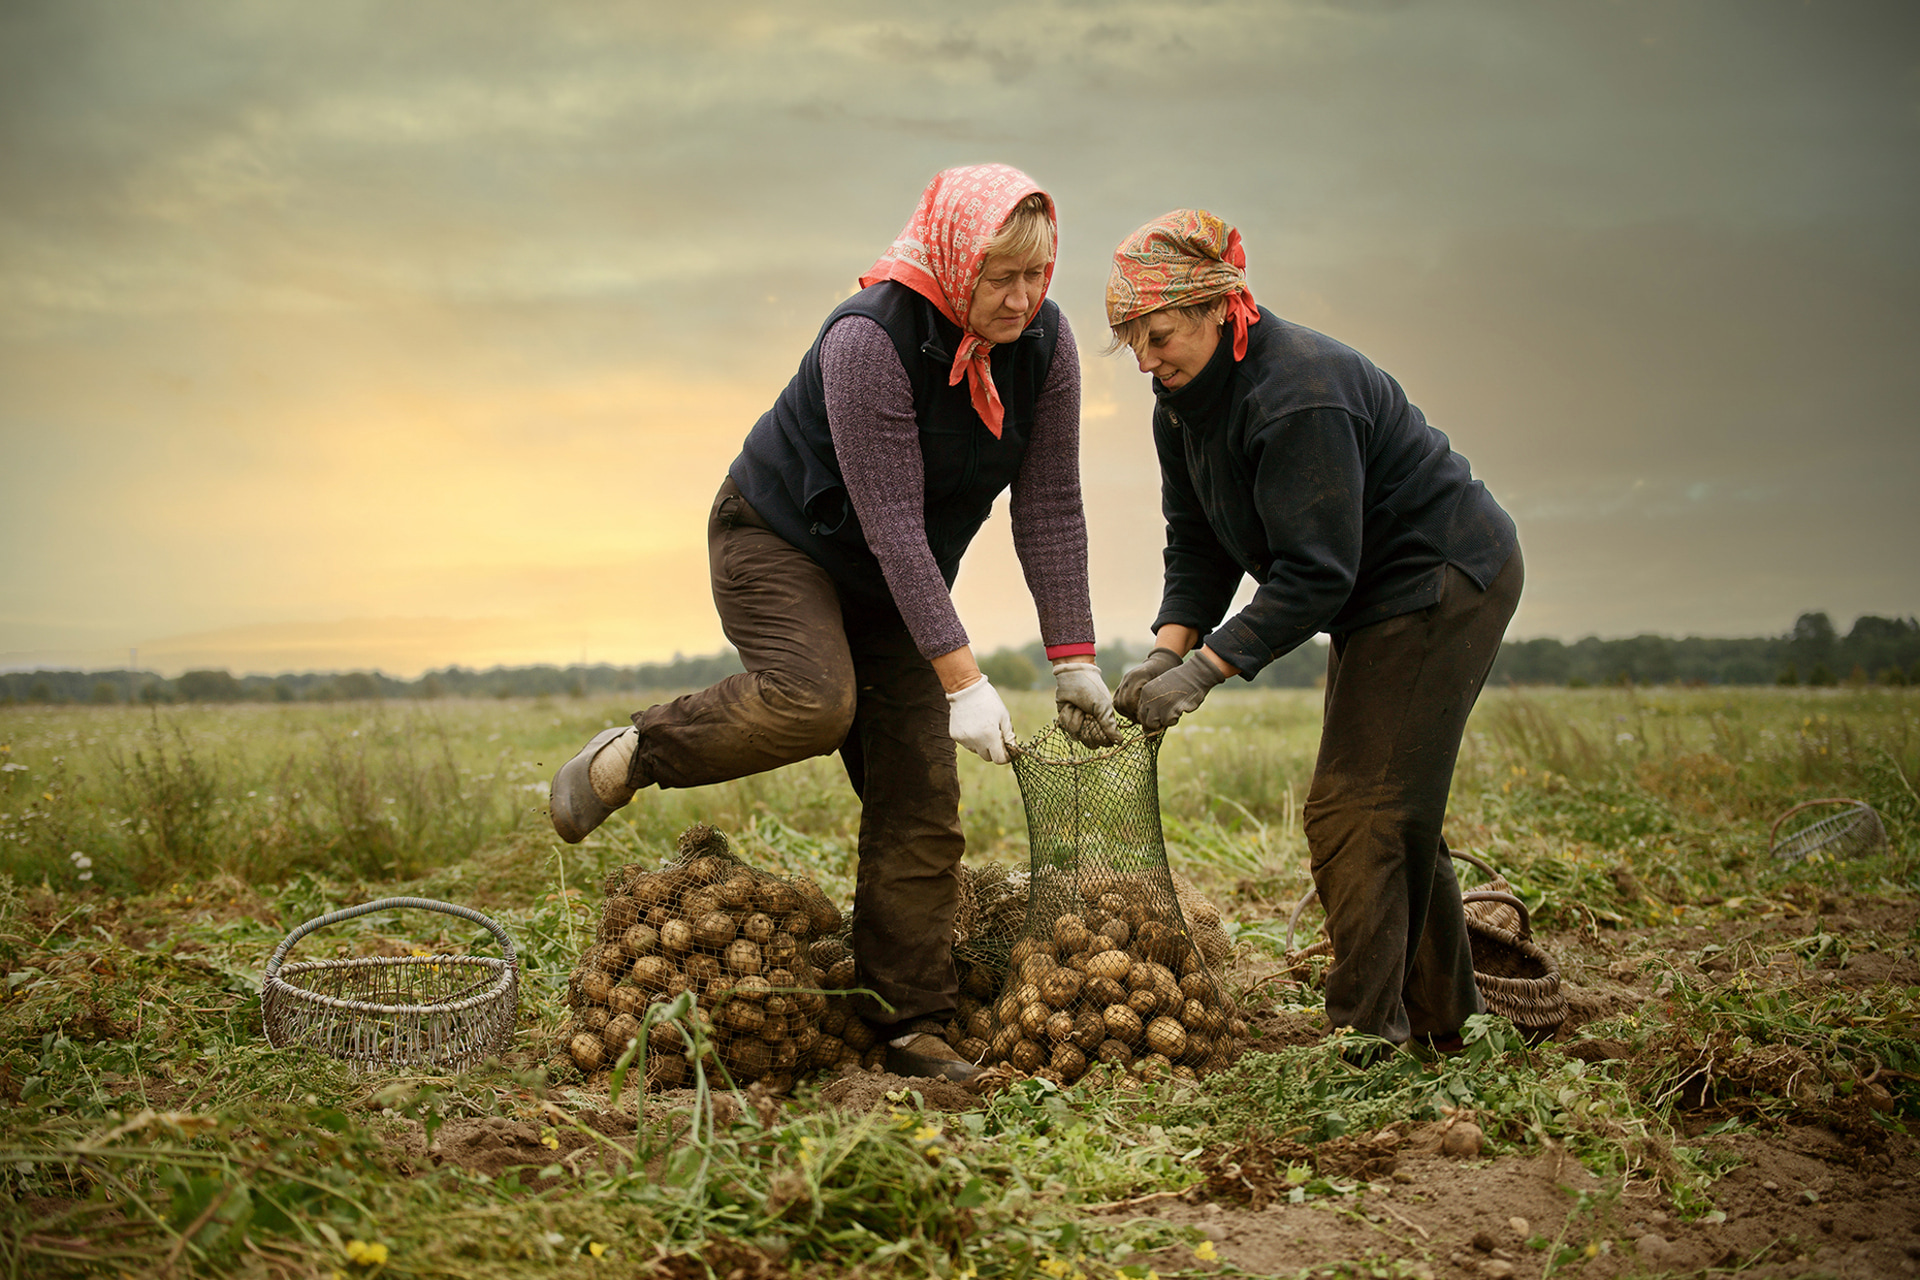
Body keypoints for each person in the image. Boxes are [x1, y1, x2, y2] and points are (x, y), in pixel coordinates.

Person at [548, 165, 1120, 1083]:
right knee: (815, 701)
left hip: (896, 584)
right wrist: (965, 682)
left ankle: (910, 1024)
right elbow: (892, 522)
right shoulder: (869, 340)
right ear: (954, 262)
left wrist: (1073, 660)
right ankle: (638, 751)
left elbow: (1050, 505)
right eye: (1000, 277)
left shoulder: (1046, 347)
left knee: (921, 797)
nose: (1022, 299)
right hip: (779, 541)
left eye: (1037, 275)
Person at [1104, 210, 1522, 1056]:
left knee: (1357, 812)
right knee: (1394, 810)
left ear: (1219, 308)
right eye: (1131, 342)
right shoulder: (1179, 404)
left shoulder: (1299, 394)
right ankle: (1448, 1025)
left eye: (1160, 335)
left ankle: (1364, 1041)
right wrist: (1165, 651)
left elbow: (1317, 572)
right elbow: (1197, 539)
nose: (1146, 360)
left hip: (1438, 580)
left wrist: (1205, 671)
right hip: (1372, 596)